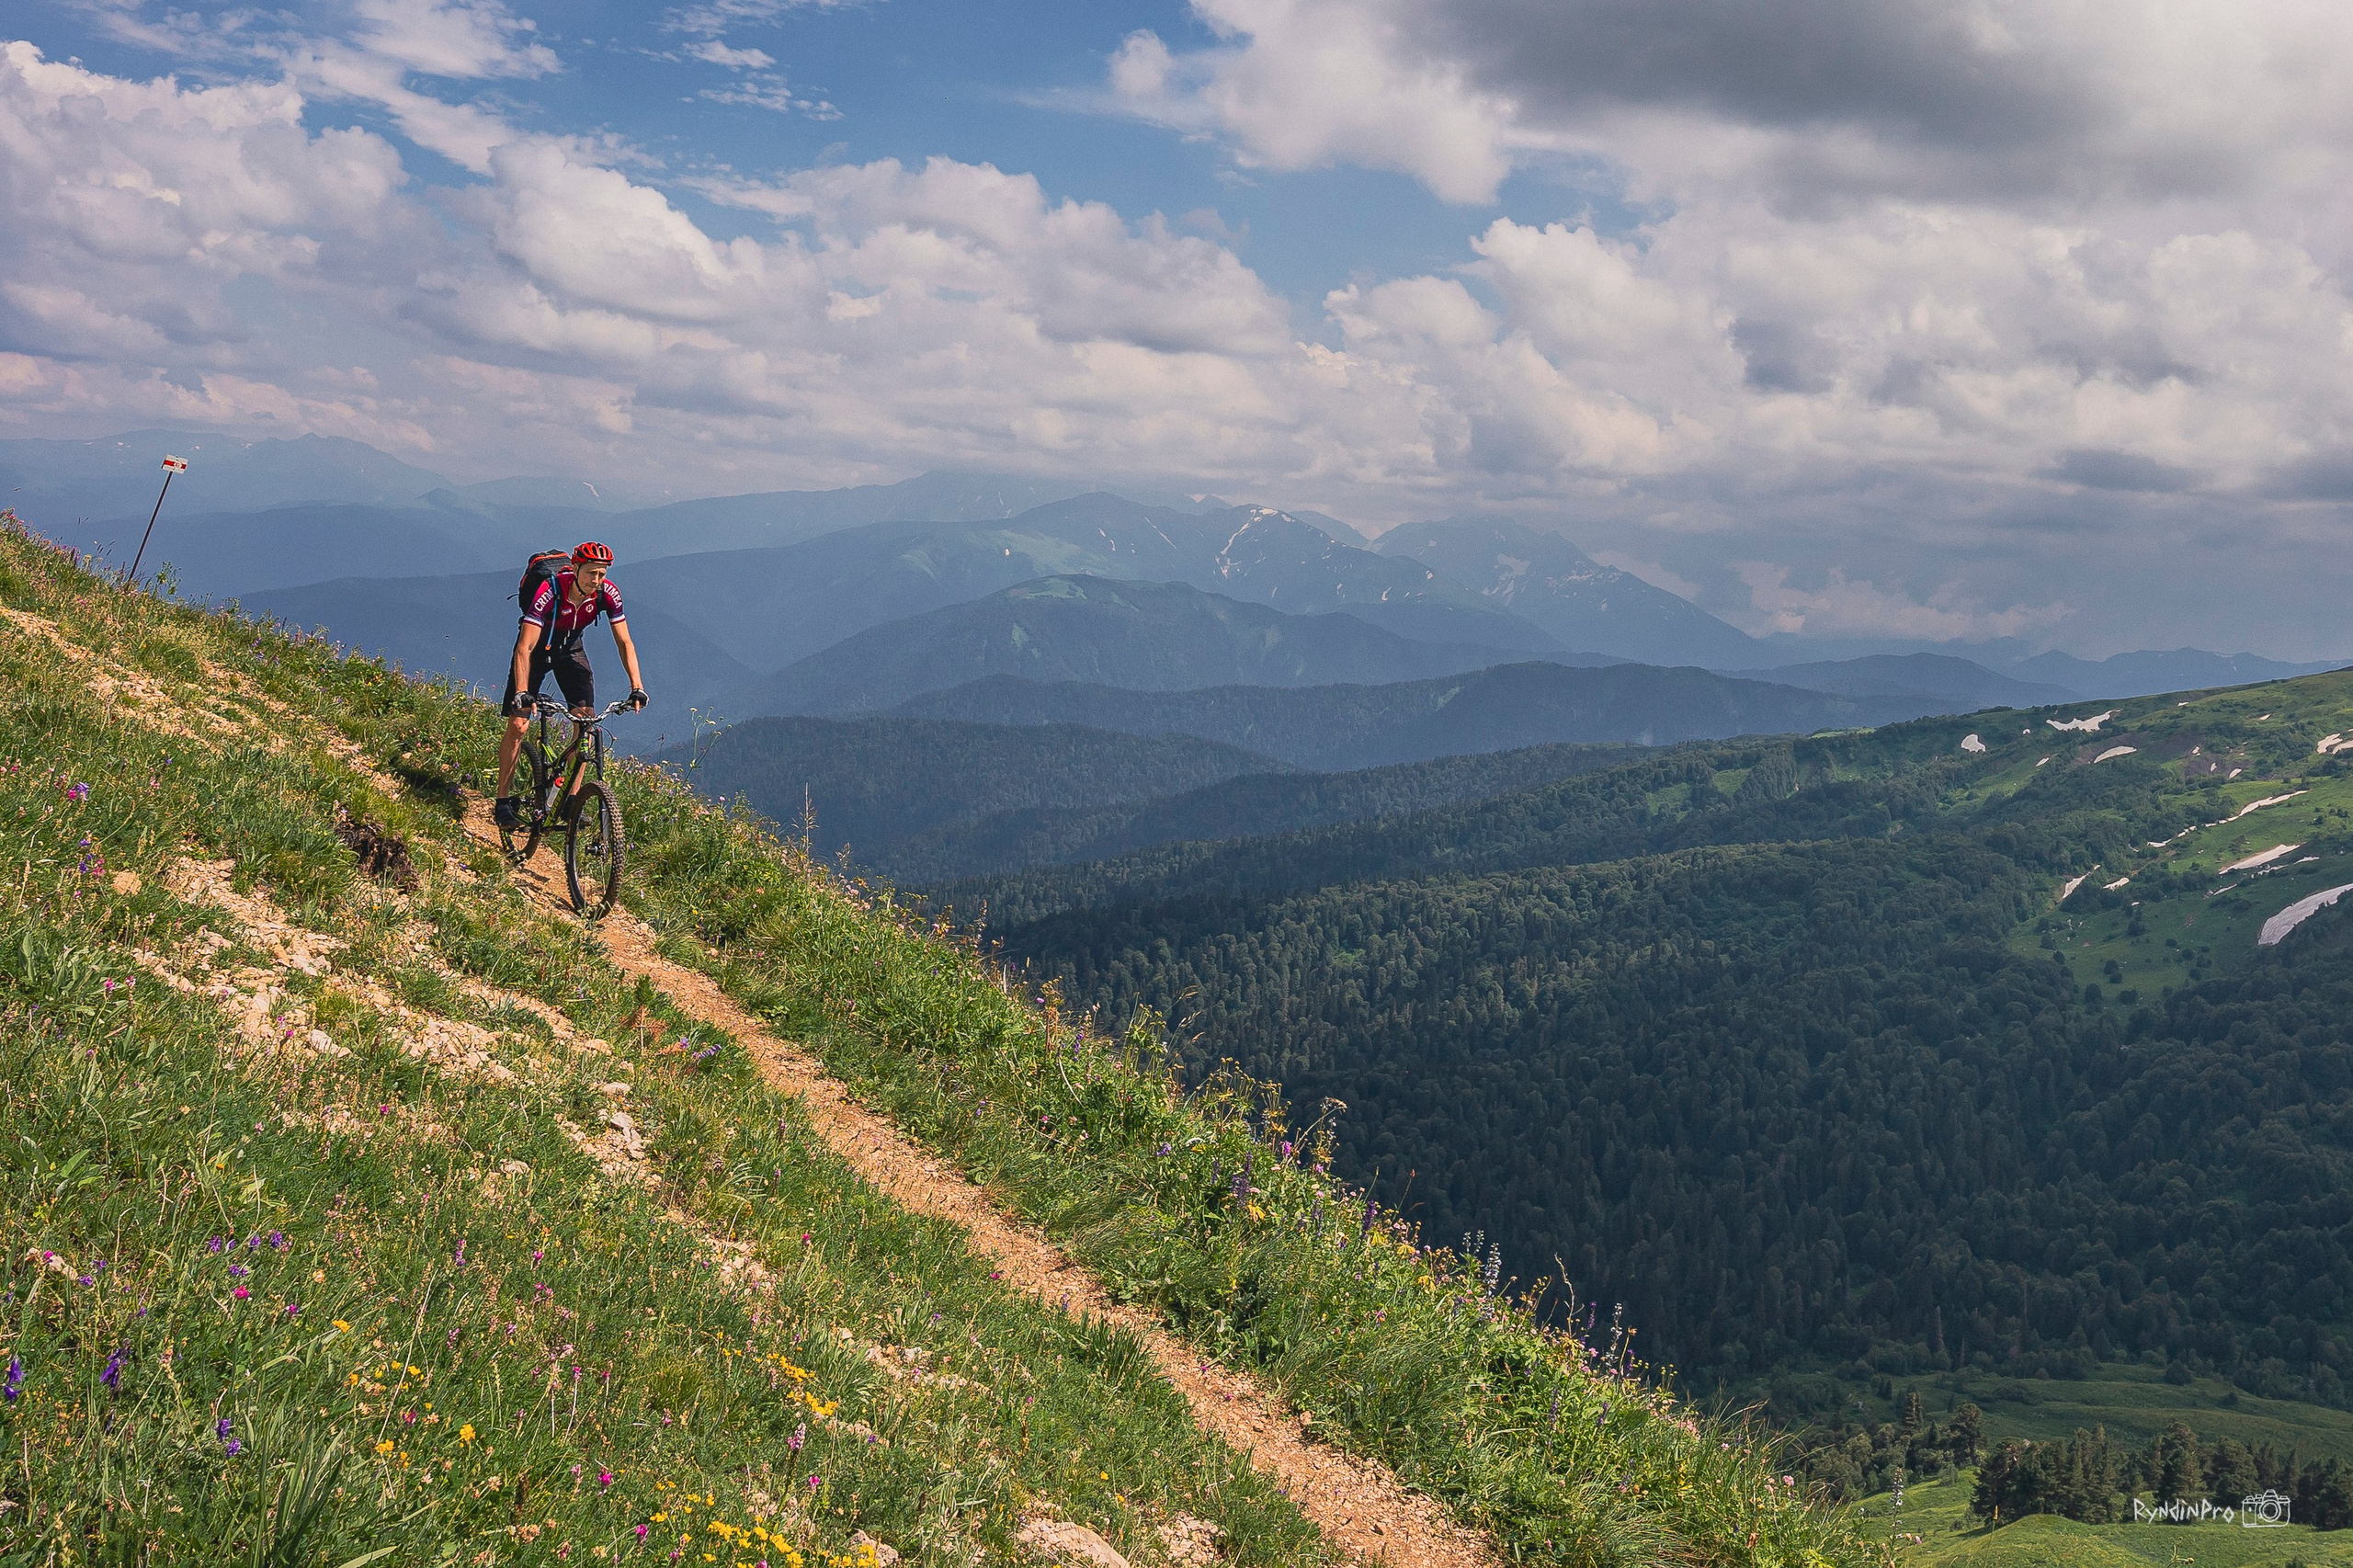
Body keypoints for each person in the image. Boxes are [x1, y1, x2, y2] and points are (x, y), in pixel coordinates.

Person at [494, 540, 646, 829]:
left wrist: (636, 686)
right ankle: (503, 801)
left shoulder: (607, 593)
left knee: (587, 725)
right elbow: (524, 648)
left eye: (602, 574)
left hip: (571, 650)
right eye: (591, 573)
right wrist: (523, 693)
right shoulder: (550, 590)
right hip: (537, 650)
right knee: (518, 725)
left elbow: (625, 642)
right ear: (574, 568)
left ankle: (570, 800)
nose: (596, 581)